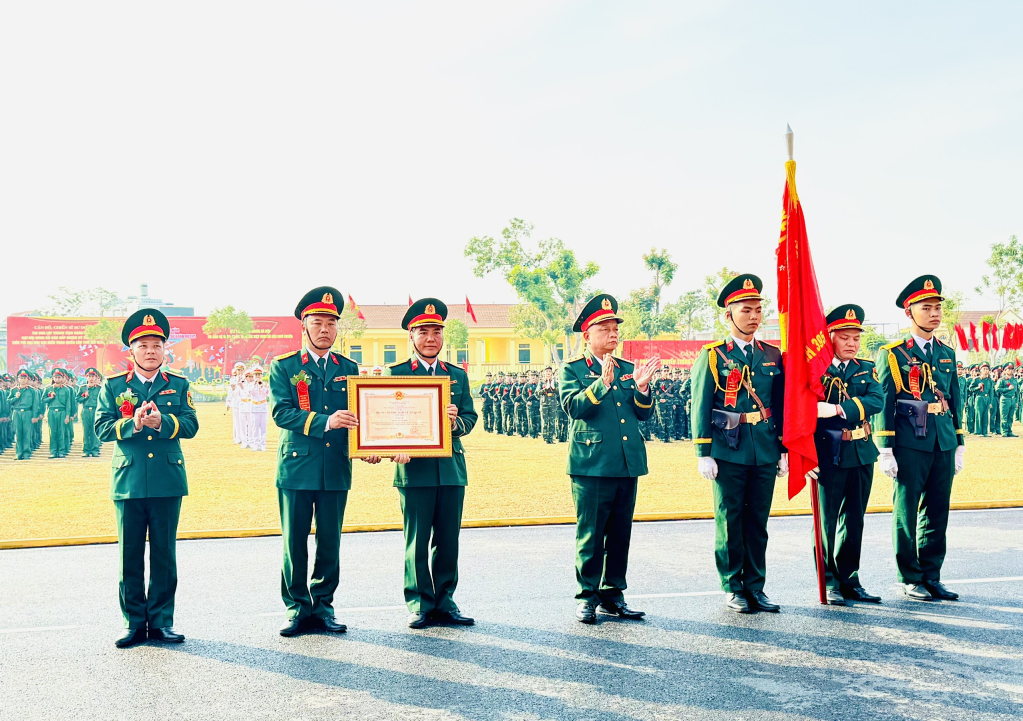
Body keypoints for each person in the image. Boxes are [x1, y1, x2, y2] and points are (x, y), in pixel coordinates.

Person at [270, 287, 375, 637]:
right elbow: (282, 412)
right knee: (295, 542)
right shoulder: (284, 366)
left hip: (335, 467)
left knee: (330, 542)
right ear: (304, 326)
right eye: (318, 322)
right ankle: (298, 608)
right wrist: (325, 421)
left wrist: (370, 444)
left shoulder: (349, 367)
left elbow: (362, 415)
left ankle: (324, 606)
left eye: (331, 323)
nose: (326, 329)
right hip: (297, 468)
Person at [95, 309, 199, 648]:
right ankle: (135, 623)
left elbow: (191, 425)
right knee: (130, 556)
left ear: (165, 349)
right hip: (129, 481)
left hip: (167, 481)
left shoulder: (179, 385)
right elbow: (100, 429)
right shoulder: (113, 386)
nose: (151, 350)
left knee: (164, 555)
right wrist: (134, 425)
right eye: (143, 345)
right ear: (131, 351)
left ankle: (162, 621)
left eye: (157, 344)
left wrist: (161, 423)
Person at [691, 273, 787, 614]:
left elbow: (781, 404)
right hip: (728, 448)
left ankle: (756, 586)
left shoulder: (773, 354)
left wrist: (783, 449)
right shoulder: (713, 355)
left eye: (758, 310)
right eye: (745, 310)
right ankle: (733, 586)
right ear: (727, 315)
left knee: (757, 522)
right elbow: (701, 404)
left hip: (763, 446)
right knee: (730, 520)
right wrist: (704, 452)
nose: (754, 316)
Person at [559, 294, 658, 624]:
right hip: (592, 464)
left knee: (619, 533)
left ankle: (613, 595)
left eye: (616, 328)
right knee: (591, 533)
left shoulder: (629, 369)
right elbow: (574, 408)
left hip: (627, 464)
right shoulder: (572, 370)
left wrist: (642, 389)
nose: (613, 333)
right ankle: (587, 596)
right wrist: (601, 384)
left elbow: (641, 415)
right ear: (587, 335)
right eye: (605, 328)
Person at [386, 298, 478, 629]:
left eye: (436, 332)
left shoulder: (456, 375)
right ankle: (419, 602)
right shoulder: (395, 374)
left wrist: (455, 424)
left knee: (448, 540)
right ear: (411, 336)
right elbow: (386, 418)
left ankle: (445, 601)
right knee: (417, 539)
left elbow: (470, 415)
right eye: (423, 332)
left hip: (450, 468)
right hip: (413, 469)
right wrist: (395, 445)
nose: (431, 338)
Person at [875, 275, 964, 602]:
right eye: (926, 308)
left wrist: (959, 442)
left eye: (938, 307)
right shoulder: (893, 353)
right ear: (909, 313)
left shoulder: (945, 351)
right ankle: (910, 577)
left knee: (938, 511)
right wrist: (886, 449)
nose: (934, 313)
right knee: (907, 511)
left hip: (942, 440)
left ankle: (932, 575)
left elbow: (955, 398)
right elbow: (884, 400)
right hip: (910, 443)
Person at [809, 305, 884, 605]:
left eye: (856, 338)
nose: (852, 344)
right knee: (826, 522)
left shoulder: (865, 367)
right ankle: (829, 582)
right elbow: (800, 413)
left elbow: (876, 400)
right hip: (828, 453)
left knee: (855, 520)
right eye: (845, 338)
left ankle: (850, 579)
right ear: (830, 339)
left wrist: (840, 408)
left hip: (861, 451)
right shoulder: (816, 369)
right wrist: (805, 456)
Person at [43, 368, 73, 458]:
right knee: (53, 432)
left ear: (62, 378)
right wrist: (50, 398)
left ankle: (61, 451)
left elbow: (68, 404)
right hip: (52, 411)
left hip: (62, 411)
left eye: (59, 377)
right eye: (56, 377)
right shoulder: (48, 389)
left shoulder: (66, 389)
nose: (57, 379)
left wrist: (67, 416)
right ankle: (53, 451)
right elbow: (43, 400)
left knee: (61, 432)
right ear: (53, 378)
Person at [10, 370, 39, 460]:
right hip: (17, 412)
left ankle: (27, 453)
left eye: (24, 378)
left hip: (27, 412)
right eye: (21, 378)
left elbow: (35, 404)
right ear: (18, 379)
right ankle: (18, 453)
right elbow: (9, 401)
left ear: (27, 379)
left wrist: (34, 416)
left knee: (27, 433)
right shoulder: (14, 390)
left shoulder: (32, 391)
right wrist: (16, 397)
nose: (23, 380)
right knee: (18, 433)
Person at [78, 367, 103, 457]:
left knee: (95, 431)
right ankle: (86, 450)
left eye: (93, 376)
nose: (91, 378)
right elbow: (78, 399)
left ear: (96, 378)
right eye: (89, 376)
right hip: (85, 410)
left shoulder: (100, 389)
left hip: (96, 411)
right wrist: (84, 397)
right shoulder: (83, 388)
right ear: (86, 377)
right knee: (86, 431)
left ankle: (95, 449)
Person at [248, 365, 270, 451]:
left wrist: (262, 386)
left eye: (259, 375)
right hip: (254, 408)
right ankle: (255, 444)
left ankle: (263, 445)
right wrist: (254, 385)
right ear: (253, 376)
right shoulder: (250, 385)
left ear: (262, 375)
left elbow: (268, 394)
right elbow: (248, 393)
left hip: (263, 408)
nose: (257, 376)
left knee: (263, 428)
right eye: (255, 375)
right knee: (255, 427)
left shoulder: (265, 384)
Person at [970, 363, 993, 437]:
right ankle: (978, 431)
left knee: (986, 415)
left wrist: (991, 402)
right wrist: (978, 387)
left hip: (987, 398)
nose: (986, 371)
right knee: (979, 415)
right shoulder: (977, 380)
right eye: (984, 369)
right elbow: (971, 388)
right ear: (980, 371)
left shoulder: (989, 380)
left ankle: (985, 431)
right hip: (979, 397)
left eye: (987, 369)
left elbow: (991, 392)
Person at [995, 365, 1018, 437]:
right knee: (1004, 416)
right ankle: (1004, 431)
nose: (1010, 371)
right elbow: (997, 389)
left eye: (1012, 369)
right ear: (1005, 371)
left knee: (1010, 417)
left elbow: (1017, 391)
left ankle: (1009, 431)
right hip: (1005, 399)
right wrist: (1008, 389)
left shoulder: (1014, 380)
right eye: (1008, 369)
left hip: (1012, 399)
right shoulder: (1002, 380)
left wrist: (1016, 401)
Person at [655, 366, 675, 443]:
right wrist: (659, 399)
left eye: (667, 371)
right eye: (664, 371)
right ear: (662, 372)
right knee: (661, 420)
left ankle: (667, 437)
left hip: (669, 403)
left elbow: (673, 394)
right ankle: (662, 437)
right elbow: (653, 391)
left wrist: (672, 402)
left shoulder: (670, 382)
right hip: (661, 404)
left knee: (669, 420)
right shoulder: (658, 381)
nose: (666, 372)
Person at [539, 366, 559, 444]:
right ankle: (545, 438)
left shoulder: (555, 382)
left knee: (552, 421)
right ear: (544, 373)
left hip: (553, 404)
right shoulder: (541, 382)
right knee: (545, 421)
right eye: (547, 372)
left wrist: (554, 388)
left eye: (549, 372)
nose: (548, 373)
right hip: (544, 404)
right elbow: (538, 393)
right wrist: (545, 389)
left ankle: (550, 438)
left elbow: (559, 392)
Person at [527, 370, 542, 438]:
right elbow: (523, 395)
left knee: (537, 420)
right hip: (531, 406)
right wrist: (527, 401)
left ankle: (536, 433)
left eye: (535, 376)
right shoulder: (527, 385)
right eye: (532, 375)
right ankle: (532, 434)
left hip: (538, 405)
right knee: (531, 420)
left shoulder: (539, 385)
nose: (533, 377)